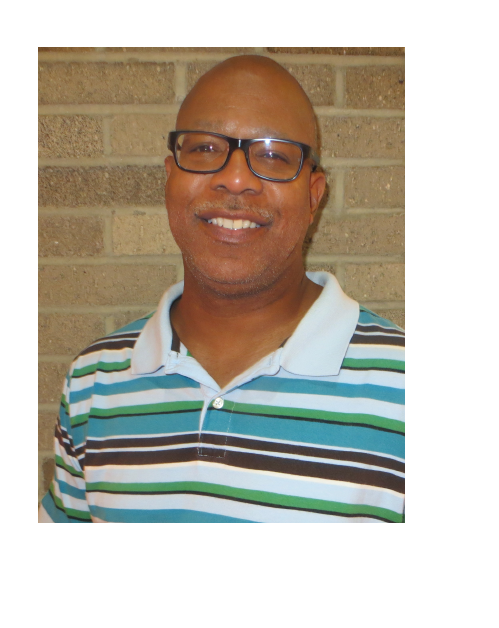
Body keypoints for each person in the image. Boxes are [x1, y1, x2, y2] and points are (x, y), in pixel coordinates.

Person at [39, 55, 405, 523]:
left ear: (314, 197)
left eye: (272, 155)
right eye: (206, 148)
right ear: (170, 179)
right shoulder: (94, 382)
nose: (235, 179)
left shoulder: (404, 388)